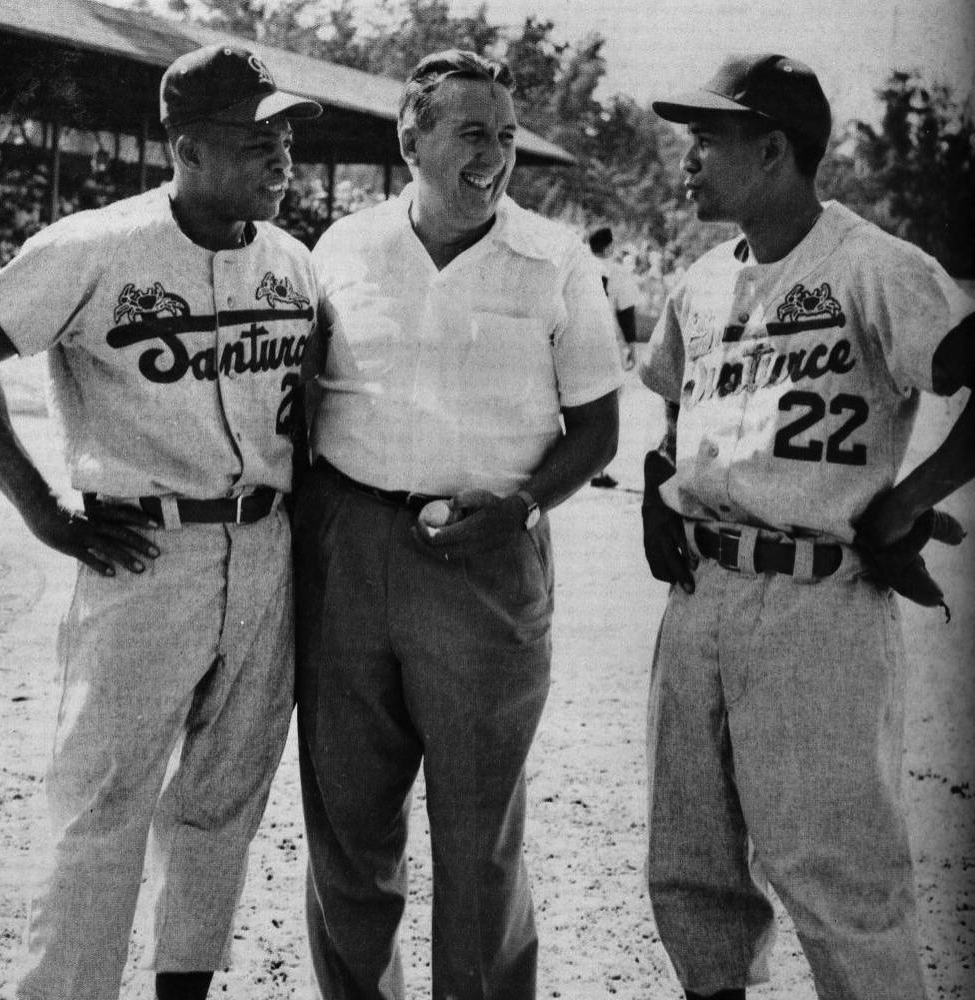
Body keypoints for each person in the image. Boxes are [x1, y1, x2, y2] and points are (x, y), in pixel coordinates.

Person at [0, 44, 324, 1000]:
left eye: (285, 133)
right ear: (186, 146)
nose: (281, 153)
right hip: (144, 553)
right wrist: (40, 507)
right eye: (258, 136)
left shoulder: (292, 260)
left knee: (222, 800)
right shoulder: (93, 245)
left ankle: (183, 991)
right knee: (102, 805)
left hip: (266, 547)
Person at [638, 53, 975, 1000]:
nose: (690, 160)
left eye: (708, 141)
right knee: (690, 874)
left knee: (840, 884)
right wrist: (665, 478)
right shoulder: (701, 282)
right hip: (702, 598)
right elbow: (676, 407)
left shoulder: (872, 264)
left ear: (775, 149)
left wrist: (911, 496)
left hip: (817, 599)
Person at [293, 48, 622, 1000]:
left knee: (478, 836)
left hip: (486, 561)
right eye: (472, 133)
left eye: (507, 138)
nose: (495, 158)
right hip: (349, 550)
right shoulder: (341, 248)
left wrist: (520, 506)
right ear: (412, 136)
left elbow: (598, 427)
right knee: (348, 828)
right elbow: (303, 399)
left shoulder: (555, 258)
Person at [587, 225, 641, 488]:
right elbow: (625, 310)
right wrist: (632, 344)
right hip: (604, 343)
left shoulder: (580, 264)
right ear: (609, 246)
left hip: (576, 341)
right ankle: (597, 471)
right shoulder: (616, 271)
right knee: (606, 407)